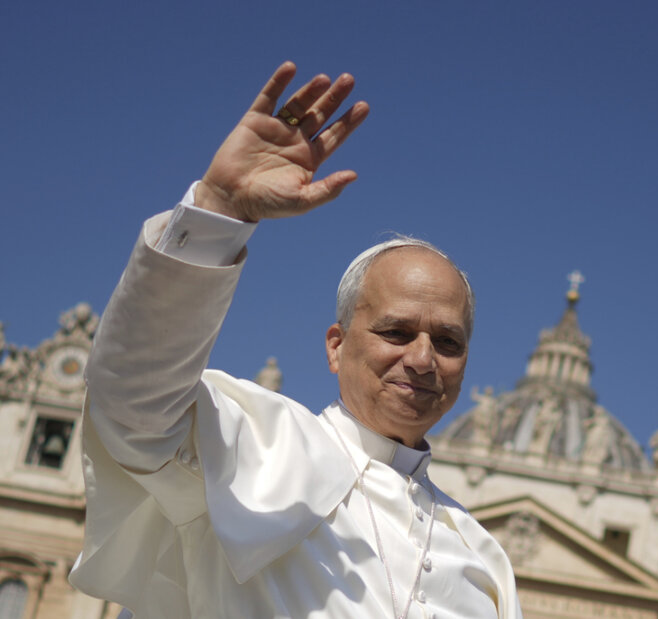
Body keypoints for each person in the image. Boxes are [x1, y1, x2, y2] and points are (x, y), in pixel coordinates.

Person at [69, 62, 522, 619]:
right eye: (397, 332)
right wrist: (219, 208)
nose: (423, 359)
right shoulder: (253, 444)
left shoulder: (482, 554)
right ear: (336, 345)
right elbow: (132, 402)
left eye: (447, 342)